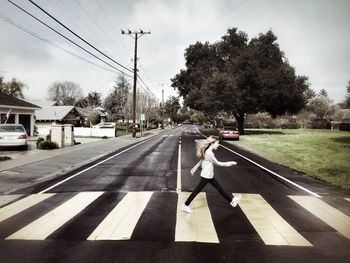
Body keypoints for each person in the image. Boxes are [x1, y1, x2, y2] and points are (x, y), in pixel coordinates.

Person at [182, 136, 241, 213]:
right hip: (206, 176)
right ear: (212, 143)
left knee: (220, 189)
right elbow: (218, 163)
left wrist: (195, 168)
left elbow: (202, 160)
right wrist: (230, 163)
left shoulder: (207, 151)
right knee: (197, 190)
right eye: (217, 143)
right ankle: (185, 205)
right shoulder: (210, 153)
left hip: (209, 175)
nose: (218, 145)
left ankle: (232, 201)